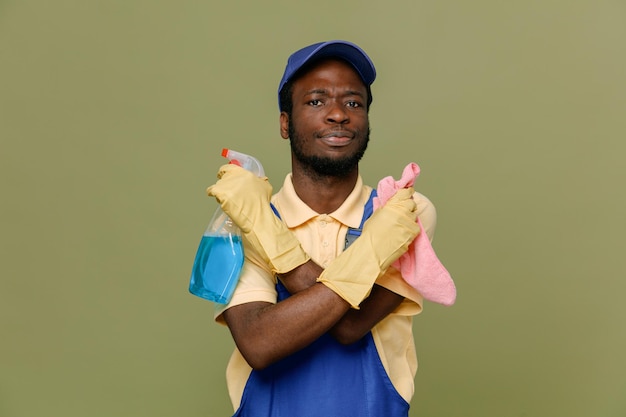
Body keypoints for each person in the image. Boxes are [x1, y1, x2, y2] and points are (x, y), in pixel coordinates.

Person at [207, 40, 438, 417]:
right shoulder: (242, 215)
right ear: (285, 123)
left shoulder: (402, 212)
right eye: (316, 101)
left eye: (353, 102)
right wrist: (264, 223)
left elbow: (350, 327)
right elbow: (259, 342)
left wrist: (268, 236)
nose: (338, 115)